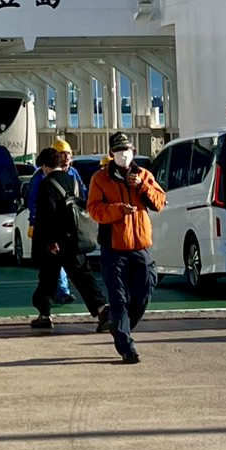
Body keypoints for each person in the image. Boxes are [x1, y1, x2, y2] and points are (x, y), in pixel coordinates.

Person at [87, 131, 165, 363]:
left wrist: (142, 187)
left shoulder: (143, 175)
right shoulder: (100, 179)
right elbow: (94, 209)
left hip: (140, 247)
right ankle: (126, 347)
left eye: (127, 150)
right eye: (119, 151)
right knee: (118, 298)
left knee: (144, 291)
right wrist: (118, 209)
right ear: (111, 154)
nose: (124, 154)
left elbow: (159, 202)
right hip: (113, 249)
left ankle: (119, 325)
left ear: (134, 151)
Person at [29, 148, 109, 333]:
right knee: (83, 276)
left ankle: (44, 315)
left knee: (48, 278)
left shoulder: (46, 184)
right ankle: (102, 310)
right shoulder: (72, 180)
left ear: (45, 166)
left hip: (54, 242)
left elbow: (46, 214)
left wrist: (49, 240)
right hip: (74, 237)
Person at [27, 138, 85, 303]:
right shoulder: (41, 179)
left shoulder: (73, 174)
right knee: (55, 268)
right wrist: (33, 222)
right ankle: (60, 295)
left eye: (68, 154)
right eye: (62, 154)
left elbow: (82, 196)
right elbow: (36, 203)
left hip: (68, 230)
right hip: (57, 231)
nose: (66, 158)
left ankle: (47, 304)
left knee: (61, 269)